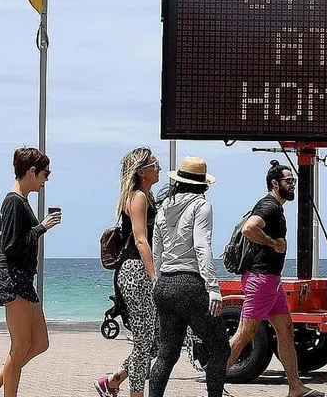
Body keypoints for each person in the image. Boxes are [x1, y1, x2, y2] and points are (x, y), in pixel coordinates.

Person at [227, 160, 324, 397]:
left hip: (272, 282)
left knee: (286, 330)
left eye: (293, 181)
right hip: (261, 280)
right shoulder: (268, 206)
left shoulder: (276, 208)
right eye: (288, 181)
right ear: (274, 183)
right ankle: (214, 384)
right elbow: (249, 228)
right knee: (245, 334)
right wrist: (273, 243)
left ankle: (295, 387)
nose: (292, 185)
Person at [0, 147, 61, 397]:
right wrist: (41, 227)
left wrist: (39, 228)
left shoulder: (21, 201)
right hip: (12, 277)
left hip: (23, 279)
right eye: (45, 174)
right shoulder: (13, 201)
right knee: (19, 347)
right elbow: (11, 245)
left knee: (40, 343)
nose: (46, 180)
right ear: (31, 171)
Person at [148, 156, 229, 397]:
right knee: (219, 349)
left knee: (167, 353)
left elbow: (157, 249)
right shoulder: (201, 205)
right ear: (203, 184)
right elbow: (202, 246)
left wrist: (158, 282)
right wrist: (213, 286)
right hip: (189, 283)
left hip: (165, 282)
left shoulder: (164, 207)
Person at [95, 148, 162, 397]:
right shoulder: (138, 198)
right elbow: (141, 240)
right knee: (144, 343)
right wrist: (154, 277)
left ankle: (112, 381)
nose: (159, 168)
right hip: (136, 271)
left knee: (154, 341)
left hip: (141, 270)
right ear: (141, 171)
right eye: (154, 165)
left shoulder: (148, 196)